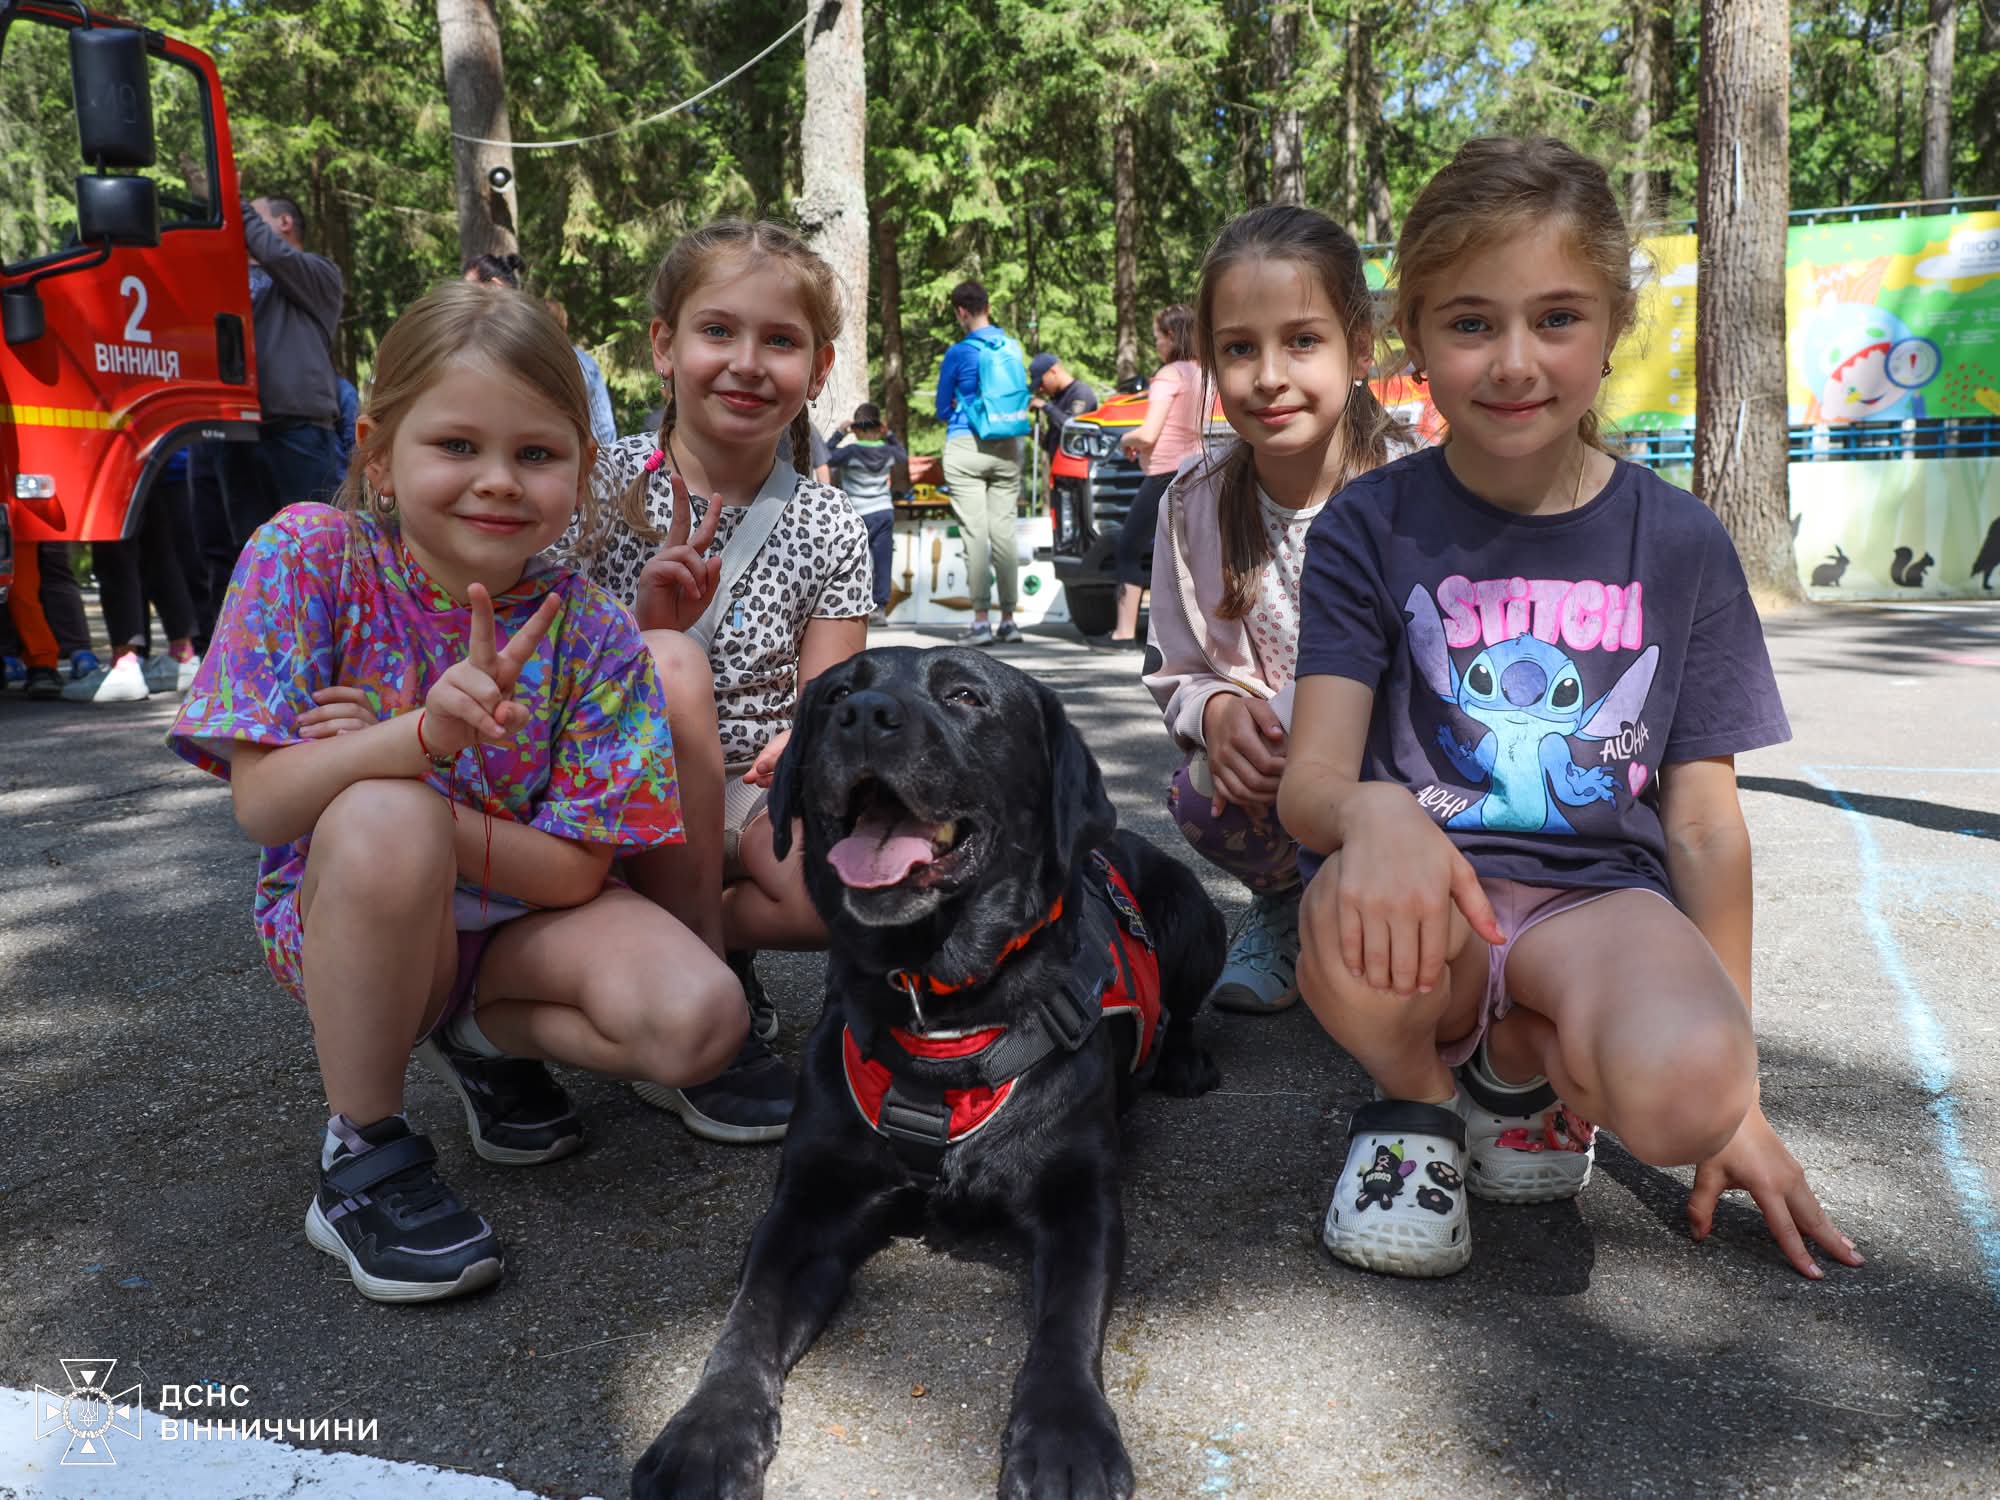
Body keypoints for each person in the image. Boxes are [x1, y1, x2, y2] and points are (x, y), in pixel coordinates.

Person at [1279, 137, 1862, 1284]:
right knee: (1355, 904)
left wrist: (1733, 1089)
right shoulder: (1366, 527)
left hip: (1597, 906)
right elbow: (1310, 786)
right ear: (1412, 339)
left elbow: (1698, 823)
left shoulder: (1681, 541)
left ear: (1610, 330)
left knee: (1692, 1086)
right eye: (1468, 323)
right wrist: (1376, 817)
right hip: (1427, 905)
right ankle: (1420, 1104)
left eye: (1555, 319)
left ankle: (1517, 1065)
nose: (1511, 362)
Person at [166, 282, 741, 1304]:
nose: (497, 482)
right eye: (456, 447)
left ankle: (473, 1037)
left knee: (702, 1021)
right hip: (367, 921)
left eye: (535, 453)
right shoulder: (309, 555)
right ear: (379, 453)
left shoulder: (594, 628)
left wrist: (386, 764)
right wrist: (415, 743)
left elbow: (574, 871)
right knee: (383, 820)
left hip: (526, 921)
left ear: (581, 469)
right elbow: (263, 809)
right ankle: (363, 1151)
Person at [555, 218, 873, 1145]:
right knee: (669, 663)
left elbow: (833, 692)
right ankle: (705, 987)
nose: (747, 363)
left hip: (748, 792)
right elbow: (537, 669)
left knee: (836, 890)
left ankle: (686, 938)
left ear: (817, 372)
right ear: (664, 345)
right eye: (718, 332)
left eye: (781, 342)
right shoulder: (590, 491)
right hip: (609, 786)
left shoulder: (830, 525)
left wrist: (802, 739)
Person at [1145, 207, 1403, 1019]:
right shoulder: (1194, 501)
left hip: (1410, 778)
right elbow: (1178, 665)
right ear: (1210, 363)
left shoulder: (1421, 491)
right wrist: (1216, 709)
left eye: (1302, 340)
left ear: (1360, 349)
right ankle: (1286, 907)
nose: (1267, 375)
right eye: (1239, 348)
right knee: (1197, 789)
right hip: (1283, 777)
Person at [220, 195, 345, 546]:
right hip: (240, 432)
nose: (244, 228)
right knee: (248, 552)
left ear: (284, 223)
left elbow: (274, 255)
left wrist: (233, 201)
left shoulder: (318, 273)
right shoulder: (237, 279)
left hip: (298, 432)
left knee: (311, 546)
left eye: (254, 219)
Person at [1103, 304, 1203, 649]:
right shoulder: (1205, 372)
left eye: (1159, 336)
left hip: (1164, 476)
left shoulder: (1169, 375)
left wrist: (1124, 439)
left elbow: (1148, 434)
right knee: (1190, 557)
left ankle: (1123, 633)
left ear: (1173, 337)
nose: (1157, 343)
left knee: (1130, 546)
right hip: (1198, 472)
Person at [936, 280, 1027, 646]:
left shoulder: (959, 353)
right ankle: (1009, 620)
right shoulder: (1012, 348)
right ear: (988, 306)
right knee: (1003, 533)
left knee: (975, 535)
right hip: (1007, 448)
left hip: (966, 445)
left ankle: (979, 622)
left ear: (961, 311)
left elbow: (943, 407)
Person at [825, 401, 906, 626]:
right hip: (883, 512)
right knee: (882, 560)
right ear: (878, 427)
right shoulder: (889, 451)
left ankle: (854, 606)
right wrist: (889, 435)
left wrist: (839, 433)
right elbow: (902, 455)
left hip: (857, 515)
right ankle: (880, 609)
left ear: (856, 429)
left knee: (855, 561)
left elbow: (824, 455)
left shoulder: (851, 452)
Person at [1028, 351, 1099, 458]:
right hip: (1058, 470)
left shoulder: (1081, 393)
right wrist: (1031, 432)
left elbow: (1074, 428)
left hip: (1077, 470)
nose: (1041, 389)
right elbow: (1051, 445)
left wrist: (1045, 406)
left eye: (1041, 383)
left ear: (1053, 371)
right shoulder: (1057, 399)